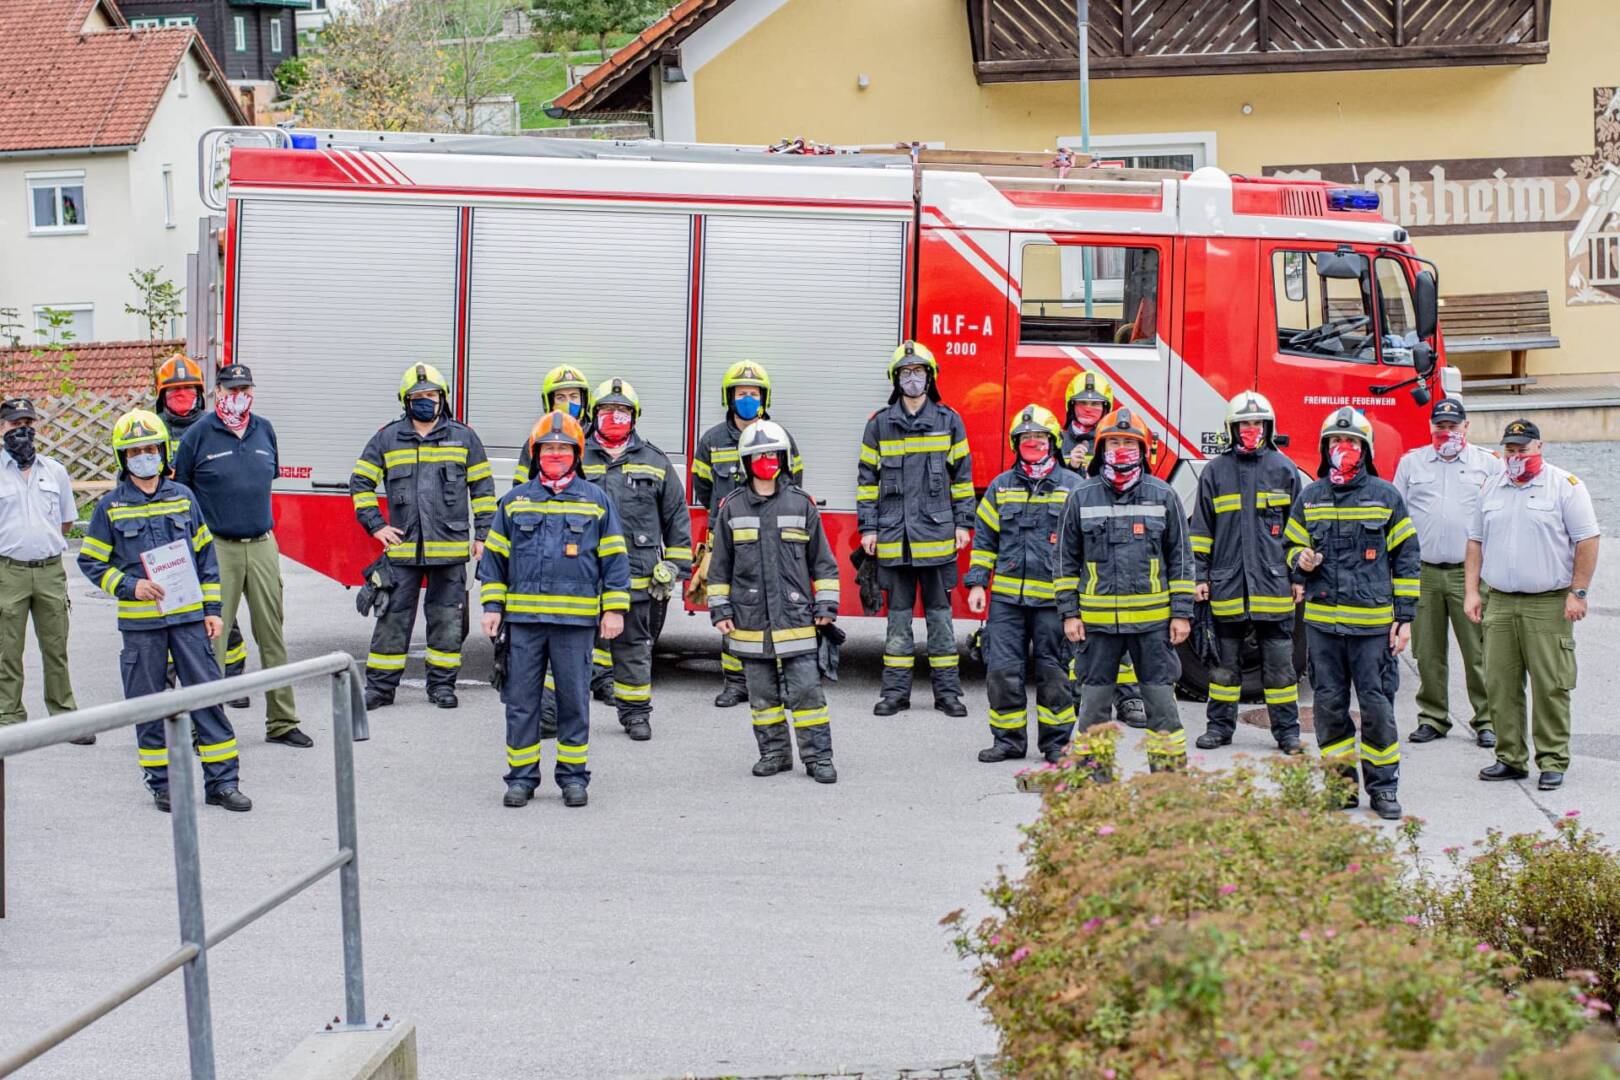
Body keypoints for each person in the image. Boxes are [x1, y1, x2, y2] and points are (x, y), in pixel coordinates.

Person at [77, 410, 251, 813]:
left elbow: (206, 558)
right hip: (142, 629)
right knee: (149, 707)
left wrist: (212, 610)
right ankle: (163, 785)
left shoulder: (183, 497)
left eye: (150, 448)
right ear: (123, 458)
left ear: (163, 451)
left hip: (190, 621)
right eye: (134, 451)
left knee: (208, 700)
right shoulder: (111, 507)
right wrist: (129, 585)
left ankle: (223, 783)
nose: (144, 456)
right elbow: (91, 562)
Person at [478, 411, 630, 809]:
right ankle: (522, 779)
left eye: (563, 448)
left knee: (574, 702)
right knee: (522, 704)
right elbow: (494, 561)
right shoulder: (514, 502)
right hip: (524, 624)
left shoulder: (596, 501)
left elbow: (615, 560)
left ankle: (573, 778)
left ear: (577, 454)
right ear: (535, 453)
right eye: (549, 448)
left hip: (575, 624)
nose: (556, 454)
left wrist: (613, 611)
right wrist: (493, 606)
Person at [1283, 407, 1419, 820]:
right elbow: (1289, 550)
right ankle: (1340, 787)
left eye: (1352, 443)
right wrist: (1300, 561)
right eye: (1336, 443)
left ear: (1365, 450)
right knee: (1329, 707)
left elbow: (1407, 559)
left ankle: (1383, 789)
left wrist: (1405, 617)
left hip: (1372, 630)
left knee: (1377, 710)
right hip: (1324, 627)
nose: (1344, 449)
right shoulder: (1310, 497)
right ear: (1325, 449)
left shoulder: (1386, 496)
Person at [173, 364, 310, 748]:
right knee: (212, 639)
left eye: (245, 387)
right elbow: (181, 494)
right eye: (232, 388)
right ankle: (207, 726)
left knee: (273, 635)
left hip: (263, 544)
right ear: (218, 392)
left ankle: (282, 721)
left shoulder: (264, 430)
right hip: (218, 548)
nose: (239, 394)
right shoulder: (199, 434)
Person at [350, 363, 496, 710]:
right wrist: (376, 525)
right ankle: (381, 690)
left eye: (431, 395)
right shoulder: (387, 438)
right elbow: (360, 483)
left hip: (449, 551)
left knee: (446, 623)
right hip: (403, 551)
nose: (425, 401)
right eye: (418, 397)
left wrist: (484, 536)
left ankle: (442, 687)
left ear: (442, 398)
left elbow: (484, 490)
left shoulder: (464, 438)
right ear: (406, 401)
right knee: (392, 621)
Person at [1057, 408, 1194, 772]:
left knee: (1162, 707)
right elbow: (1065, 560)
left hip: (1153, 627)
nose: (1121, 448)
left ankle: (1167, 784)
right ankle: (1094, 781)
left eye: (1129, 442)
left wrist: (1181, 613)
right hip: (1097, 627)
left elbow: (1181, 559)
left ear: (1143, 449)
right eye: (1114, 442)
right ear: (1101, 448)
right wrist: (1069, 612)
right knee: (1093, 708)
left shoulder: (1163, 496)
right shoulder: (1081, 496)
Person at [1466, 419, 1599, 792]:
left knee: (1550, 684)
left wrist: (1579, 592)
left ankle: (1552, 759)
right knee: (1500, 683)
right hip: (1501, 601)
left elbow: (1587, 539)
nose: (1515, 456)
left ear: (1539, 447)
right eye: (1510, 449)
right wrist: (1473, 591)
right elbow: (1475, 541)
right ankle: (1510, 757)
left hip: (1548, 603)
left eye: (1522, 449)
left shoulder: (1565, 487)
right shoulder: (1492, 486)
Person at [708, 420, 839, 783]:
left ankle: (819, 759)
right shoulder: (731, 509)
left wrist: (826, 607)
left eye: (772, 454)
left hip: (796, 619)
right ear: (746, 462)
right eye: (759, 455)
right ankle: (775, 753)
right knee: (762, 697)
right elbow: (719, 568)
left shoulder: (801, 504)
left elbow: (824, 563)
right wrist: (719, 610)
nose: (766, 460)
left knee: (807, 693)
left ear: (782, 458)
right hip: (750, 622)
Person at [856, 341, 975, 718]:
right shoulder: (879, 424)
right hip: (894, 541)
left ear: (930, 378)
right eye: (905, 373)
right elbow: (866, 483)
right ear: (896, 379)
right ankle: (894, 694)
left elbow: (963, 479)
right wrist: (868, 528)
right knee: (898, 623)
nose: (912, 379)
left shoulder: (949, 420)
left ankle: (948, 695)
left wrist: (964, 522)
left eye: (919, 373)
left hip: (938, 540)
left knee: (941, 621)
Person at [966, 405, 1084, 764]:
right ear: (1016, 444)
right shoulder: (1001, 488)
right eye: (1026, 438)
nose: (1033, 443)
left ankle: (1057, 744)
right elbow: (984, 540)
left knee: (1054, 675)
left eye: (1040, 437)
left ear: (1054, 442)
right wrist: (976, 585)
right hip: (1007, 602)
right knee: (1002, 671)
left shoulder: (1074, 488)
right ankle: (1008, 741)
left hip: (1054, 602)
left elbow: (1085, 546)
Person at [1187, 391, 1303, 754]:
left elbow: (1299, 531)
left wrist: (1298, 577)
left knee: (1281, 669)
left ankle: (1287, 733)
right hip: (1227, 585)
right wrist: (1199, 577)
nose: (1251, 429)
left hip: (1273, 587)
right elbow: (1201, 532)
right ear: (1231, 429)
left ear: (1268, 427)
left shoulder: (1284, 470)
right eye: (1244, 424)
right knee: (1223, 668)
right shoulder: (1214, 472)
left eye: (1257, 424)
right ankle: (1219, 728)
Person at [579, 379, 692, 741]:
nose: (615, 416)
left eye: (623, 411)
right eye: (607, 410)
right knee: (570, 647)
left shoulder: (655, 462)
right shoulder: (574, 455)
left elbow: (677, 519)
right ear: (593, 415)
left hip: (636, 576)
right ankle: (561, 714)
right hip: (580, 572)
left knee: (633, 649)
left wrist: (675, 568)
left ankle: (636, 715)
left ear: (635, 416)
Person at [692, 360, 803, 708]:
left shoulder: (779, 438)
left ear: (764, 398)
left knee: (775, 607)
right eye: (741, 393)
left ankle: (778, 680)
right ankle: (736, 682)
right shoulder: (711, 441)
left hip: (773, 538)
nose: (747, 399)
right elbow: (703, 488)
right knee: (733, 607)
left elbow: (793, 484)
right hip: (730, 538)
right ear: (729, 397)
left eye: (753, 394)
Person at [1394, 397, 1503, 748]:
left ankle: (1487, 719)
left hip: (1467, 574)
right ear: (1431, 428)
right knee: (1427, 652)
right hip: (1423, 572)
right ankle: (1433, 717)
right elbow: (1397, 518)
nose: (1446, 432)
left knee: (1478, 652)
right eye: (1440, 426)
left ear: (1466, 427)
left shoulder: (1487, 465)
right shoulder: (1412, 464)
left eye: (1453, 426)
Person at [1057, 370, 1147, 728]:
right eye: (1083, 404)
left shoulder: (1115, 439)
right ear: (1071, 408)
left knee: (1122, 627)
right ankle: (1083, 696)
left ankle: (1129, 699)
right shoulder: (1055, 441)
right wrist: (1068, 466)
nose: (1089, 410)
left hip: (1113, 547)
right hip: (1074, 548)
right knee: (1079, 630)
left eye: (1096, 404)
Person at [155, 353, 248, 696]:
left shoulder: (214, 427)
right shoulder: (152, 431)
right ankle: (167, 688)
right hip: (164, 538)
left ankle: (234, 678)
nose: (181, 396)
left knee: (220, 609)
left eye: (187, 390)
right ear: (161, 396)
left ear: (199, 393)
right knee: (169, 611)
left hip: (208, 534)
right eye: (173, 391)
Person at [0, 397, 87, 743]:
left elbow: (66, 523)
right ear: (1, 428)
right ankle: (9, 718)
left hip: (50, 570)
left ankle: (64, 716)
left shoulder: (55, 471)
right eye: (13, 425)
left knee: (56, 647)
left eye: (27, 424)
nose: (21, 431)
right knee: (7, 649)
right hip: (9, 571)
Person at [515, 364, 593, 487]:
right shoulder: (537, 441)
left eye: (574, 396)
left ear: (584, 400)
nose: (568, 403)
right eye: (560, 397)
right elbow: (521, 488)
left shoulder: (596, 440)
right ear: (549, 403)